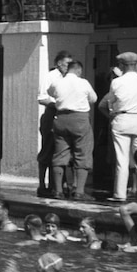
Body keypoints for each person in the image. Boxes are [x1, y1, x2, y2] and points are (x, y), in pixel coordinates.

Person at [99, 51, 137, 201]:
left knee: (122, 160)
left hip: (123, 119)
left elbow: (110, 101)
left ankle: (119, 194)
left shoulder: (117, 82)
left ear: (122, 65)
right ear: (136, 65)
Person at [43, 55, 97, 199]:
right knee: (82, 153)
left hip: (60, 119)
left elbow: (50, 93)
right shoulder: (84, 82)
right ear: (78, 71)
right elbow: (93, 99)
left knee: (60, 154)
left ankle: (58, 190)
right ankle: (79, 191)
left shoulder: (58, 83)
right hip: (79, 119)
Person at [37, 49, 72, 197]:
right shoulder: (50, 77)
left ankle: (58, 184)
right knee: (47, 151)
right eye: (66, 64)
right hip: (52, 115)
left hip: (66, 117)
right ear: (58, 63)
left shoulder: (70, 78)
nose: (67, 67)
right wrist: (57, 103)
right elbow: (42, 98)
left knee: (62, 152)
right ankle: (42, 184)